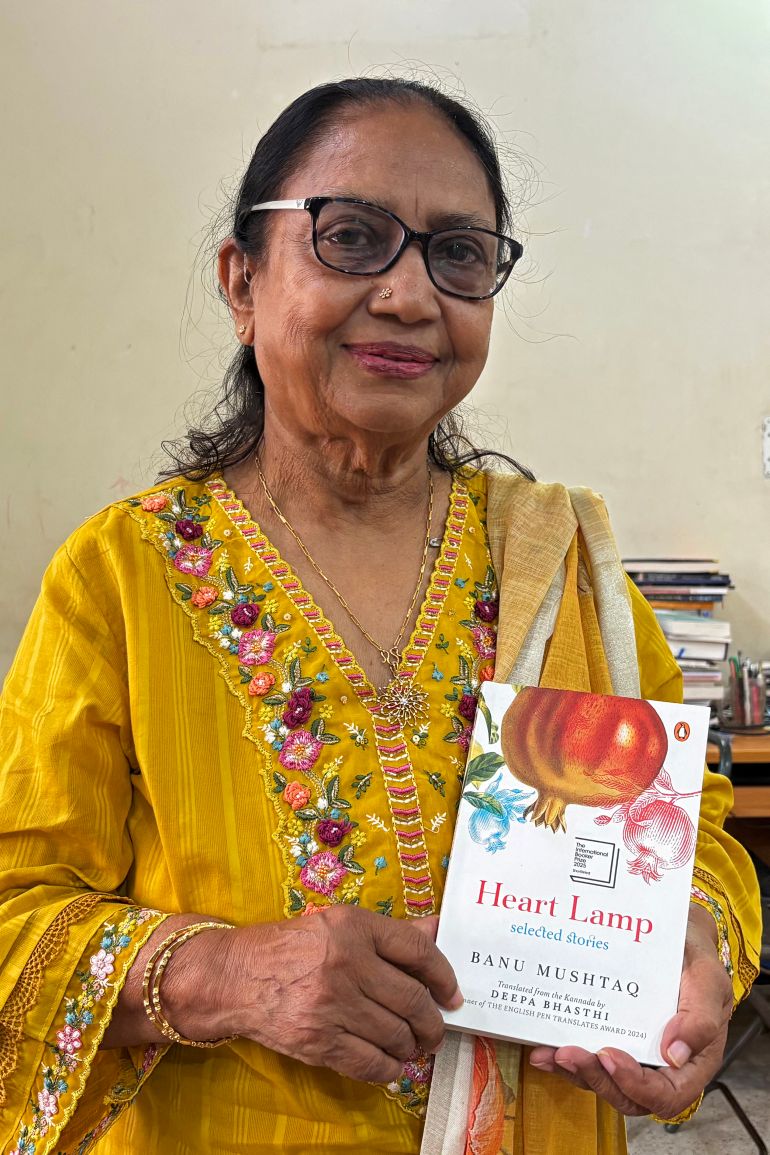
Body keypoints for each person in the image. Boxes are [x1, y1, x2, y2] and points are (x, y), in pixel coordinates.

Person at [0, 77, 760, 1155]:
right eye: (352, 237)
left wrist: (696, 950)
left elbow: (700, 838)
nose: (409, 297)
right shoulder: (122, 576)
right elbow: (15, 914)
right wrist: (226, 973)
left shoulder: (562, 567)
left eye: (459, 254)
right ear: (241, 281)